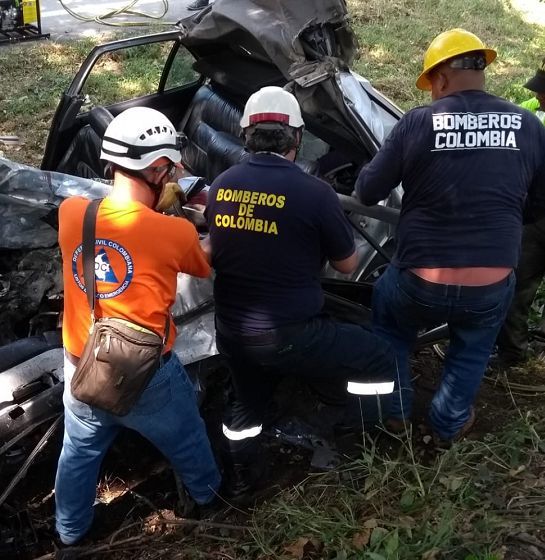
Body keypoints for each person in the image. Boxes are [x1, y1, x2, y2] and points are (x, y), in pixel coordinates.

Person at [355, 29, 545, 446]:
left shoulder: (419, 122)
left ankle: (395, 413)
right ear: (482, 70)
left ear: (439, 78)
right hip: (492, 284)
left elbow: (367, 191)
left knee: (389, 324)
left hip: (419, 280)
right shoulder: (529, 126)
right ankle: (447, 423)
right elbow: (537, 206)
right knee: (474, 346)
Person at [205, 86, 395, 498]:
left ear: (245, 136)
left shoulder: (222, 185)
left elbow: (217, 247)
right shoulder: (316, 193)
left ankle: (242, 477)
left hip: (233, 332)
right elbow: (347, 265)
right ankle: (362, 436)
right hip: (289, 334)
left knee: (248, 403)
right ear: (296, 137)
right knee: (380, 355)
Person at [55, 107, 221, 546]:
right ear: (155, 169)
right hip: (147, 375)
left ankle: (69, 534)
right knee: (187, 440)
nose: (178, 172)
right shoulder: (173, 234)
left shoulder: (72, 213)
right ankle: (211, 501)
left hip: (81, 364)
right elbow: (203, 264)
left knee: (78, 453)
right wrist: (206, 224)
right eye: (172, 166)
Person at [496, 61, 545, 366]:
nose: (538, 96)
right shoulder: (530, 111)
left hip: (536, 214)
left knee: (519, 282)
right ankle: (513, 353)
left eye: (543, 92)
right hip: (534, 216)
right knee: (517, 285)